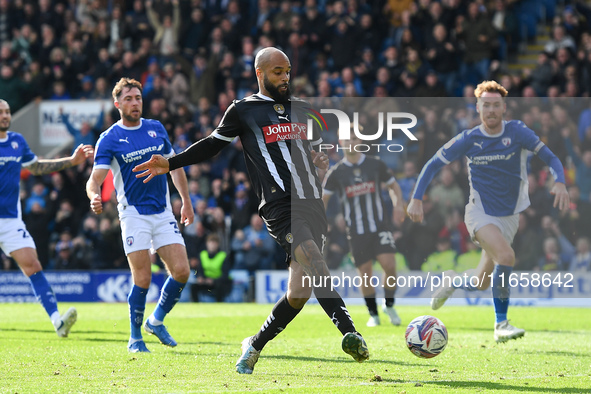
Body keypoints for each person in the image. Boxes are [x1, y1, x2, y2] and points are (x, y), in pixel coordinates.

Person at [133, 47, 369, 373]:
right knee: (315, 260)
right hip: (279, 206)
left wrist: (317, 160)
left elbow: (309, 149)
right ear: (260, 73)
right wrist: (171, 162)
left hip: (311, 204)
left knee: (298, 292)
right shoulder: (242, 110)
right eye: (277, 72)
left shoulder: (301, 109)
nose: (285, 78)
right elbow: (213, 144)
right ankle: (350, 333)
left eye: (287, 71)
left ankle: (254, 345)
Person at [407, 80, 570, 343]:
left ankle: (453, 281)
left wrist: (560, 181)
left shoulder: (518, 132)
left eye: (496, 105)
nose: (491, 110)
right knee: (506, 257)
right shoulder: (470, 138)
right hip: (479, 213)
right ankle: (501, 324)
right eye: (486, 105)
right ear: (478, 107)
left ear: (504, 107)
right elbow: (432, 164)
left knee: (482, 281)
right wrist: (416, 198)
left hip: (510, 218)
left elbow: (550, 157)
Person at [86, 78, 194, 353]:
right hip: (133, 213)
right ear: (117, 103)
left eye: (138, 98)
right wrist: (94, 196)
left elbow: (175, 166)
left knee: (182, 271)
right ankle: (135, 337)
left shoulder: (155, 128)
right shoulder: (109, 138)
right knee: (142, 278)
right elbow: (94, 179)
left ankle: (155, 321)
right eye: (129, 99)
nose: (135, 103)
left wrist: (186, 201)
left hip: (162, 210)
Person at [0, 99, 93, 337]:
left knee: (33, 265)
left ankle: (57, 322)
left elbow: (37, 167)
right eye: (0, 112)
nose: (5, 116)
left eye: (7, 112)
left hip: (10, 221)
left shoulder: (16, 141)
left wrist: (70, 162)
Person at [322, 134, 405, 327]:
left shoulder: (375, 164)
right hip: (356, 231)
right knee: (365, 273)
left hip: (379, 226)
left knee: (390, 265)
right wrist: (321, 221)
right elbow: (323, 199)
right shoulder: (336, 172)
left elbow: (394, 186)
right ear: (340, 142)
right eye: (347, 139)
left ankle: (389, 305)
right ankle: (373, 314)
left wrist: (398, 205)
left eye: (355, 138)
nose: (351, 142)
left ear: (360, 142)